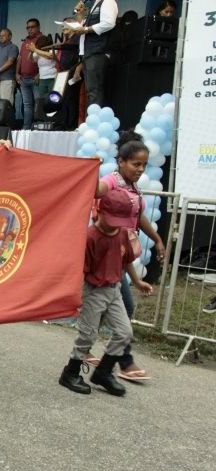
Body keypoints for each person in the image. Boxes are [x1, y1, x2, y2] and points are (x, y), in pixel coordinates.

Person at [59, 188, 153, 396]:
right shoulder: (90, 238)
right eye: (111, 219)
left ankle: (103, 372)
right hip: (93, 291)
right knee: (88, 334)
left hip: (115, 290)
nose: (114, 225)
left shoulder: (122, 234)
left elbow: (126, 260)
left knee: (124, 332)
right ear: (100, 212)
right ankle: (70, 372)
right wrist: (75, 296)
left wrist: (137, 281)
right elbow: (79, 271)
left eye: (119, 221)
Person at [94, 131, 165, 381]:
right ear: (122, 161)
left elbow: (138, 216)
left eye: (144, 165)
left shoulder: (133, 186)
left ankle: (87, 349)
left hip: (122, 255)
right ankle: (123, 361)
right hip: (109, 255)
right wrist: (90, 170)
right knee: (125, 306)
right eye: (136, 164)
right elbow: (96, 190)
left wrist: (157, 239)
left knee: (104, 308)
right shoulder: (112, 181)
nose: (141, 169)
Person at [72, 0, 118, 107]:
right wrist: (78, 12)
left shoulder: (107, 1)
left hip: (98, 52)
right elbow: (82, 26)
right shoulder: (94, 6)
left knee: (95, 92)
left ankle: (97, 122)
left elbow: (109, 23)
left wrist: (86, 29)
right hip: (88, 53)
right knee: (91, 92)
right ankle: (93, 120)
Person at [17, 19, 43, 129]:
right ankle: (26, 127)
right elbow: (20, 59)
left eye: (32, 27)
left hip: (35, 78)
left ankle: (38, 126)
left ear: (38, 27)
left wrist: (39, 74)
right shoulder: (25, 42)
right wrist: (16, 73)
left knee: (38, 103)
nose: (30, 29)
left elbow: (46, 57)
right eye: (28, 27)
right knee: (27, 105)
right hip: (24, 78)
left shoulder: (42, 39)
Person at [0, 28, 19, 105]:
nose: (1, 37)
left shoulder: (13, 47)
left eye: (3, 35)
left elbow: (10, 62)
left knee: (6, 105)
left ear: (10, 37)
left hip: (7, 80)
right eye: (0, 36)